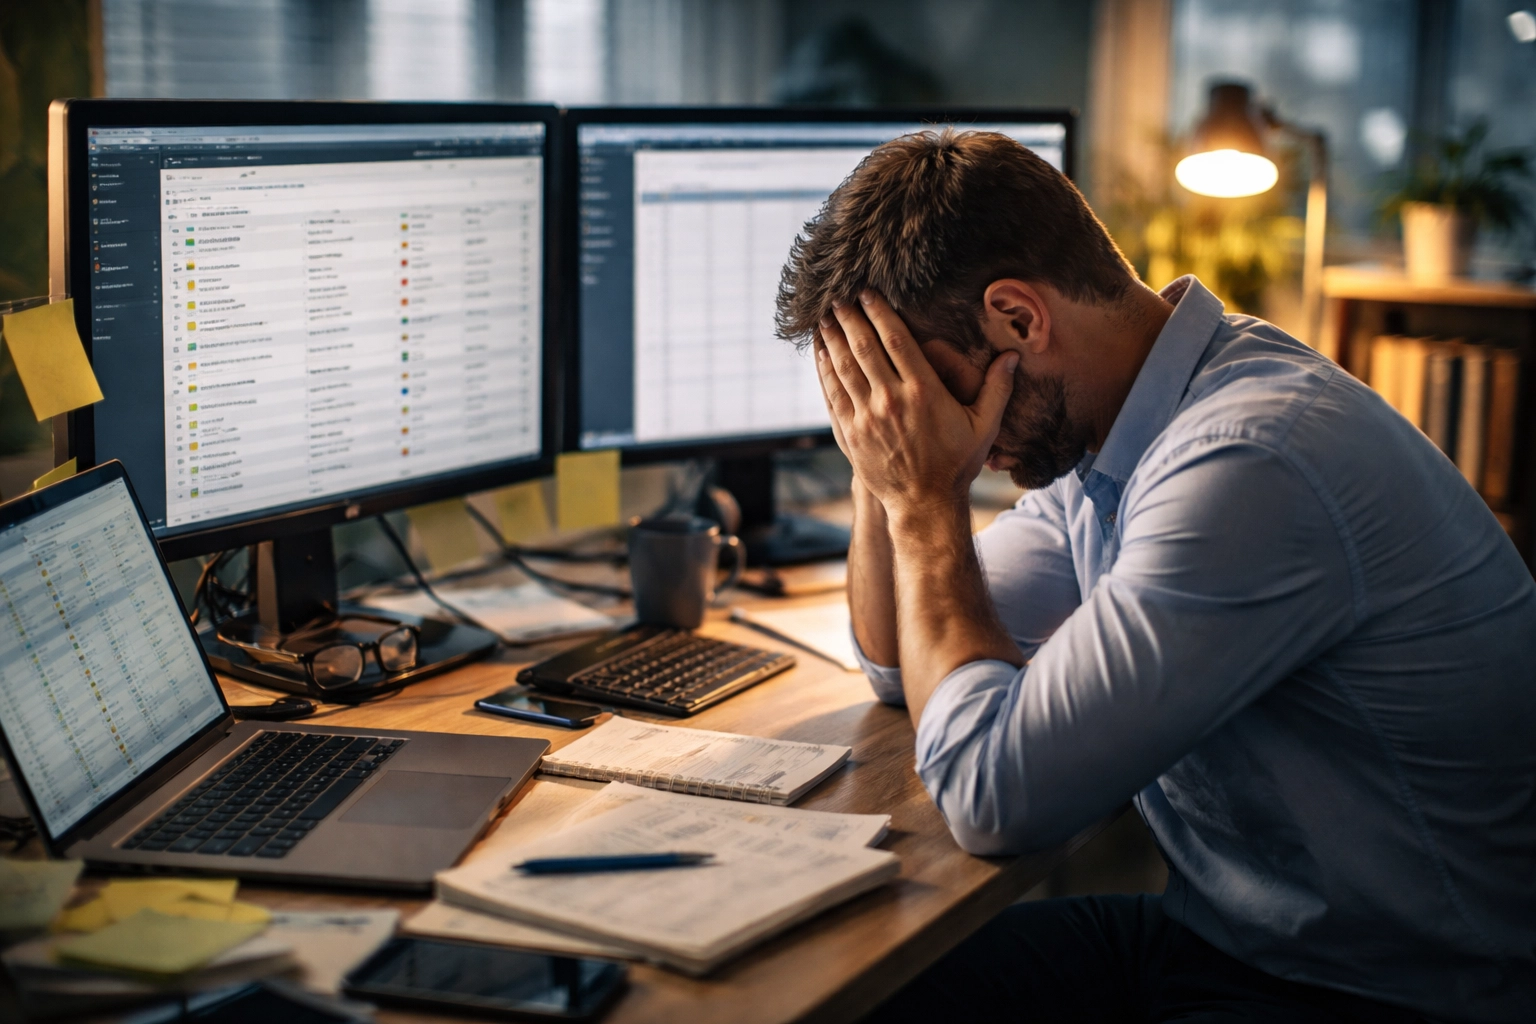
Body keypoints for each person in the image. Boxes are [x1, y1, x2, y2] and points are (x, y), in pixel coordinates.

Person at [774, 129, 1536, 1023]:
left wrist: (923, 502)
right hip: (1233, 945)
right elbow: (902, 665)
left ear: (1018, 319)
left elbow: (993, 796)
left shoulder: (1247, 457)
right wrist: (880, 461)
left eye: (927, 383)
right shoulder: (1117, 434)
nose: (926, 418)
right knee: (841, 992)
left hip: (1385, 995)